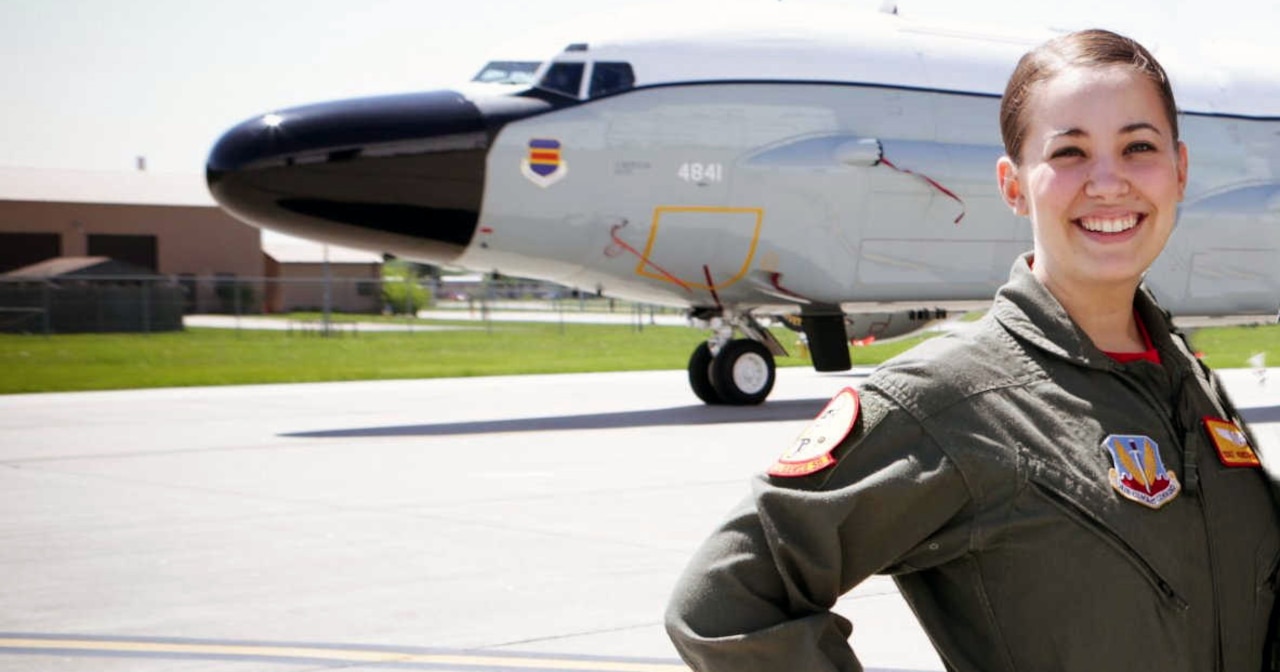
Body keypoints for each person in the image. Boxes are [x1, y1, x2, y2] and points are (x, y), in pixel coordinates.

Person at [665, 28, 1280, 672]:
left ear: (1179, 169)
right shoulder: (951, 400)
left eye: (1138, 147)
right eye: (1069, 152)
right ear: (1013, 186)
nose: (1108, 181)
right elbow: (723, 605)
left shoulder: (1190, 386)